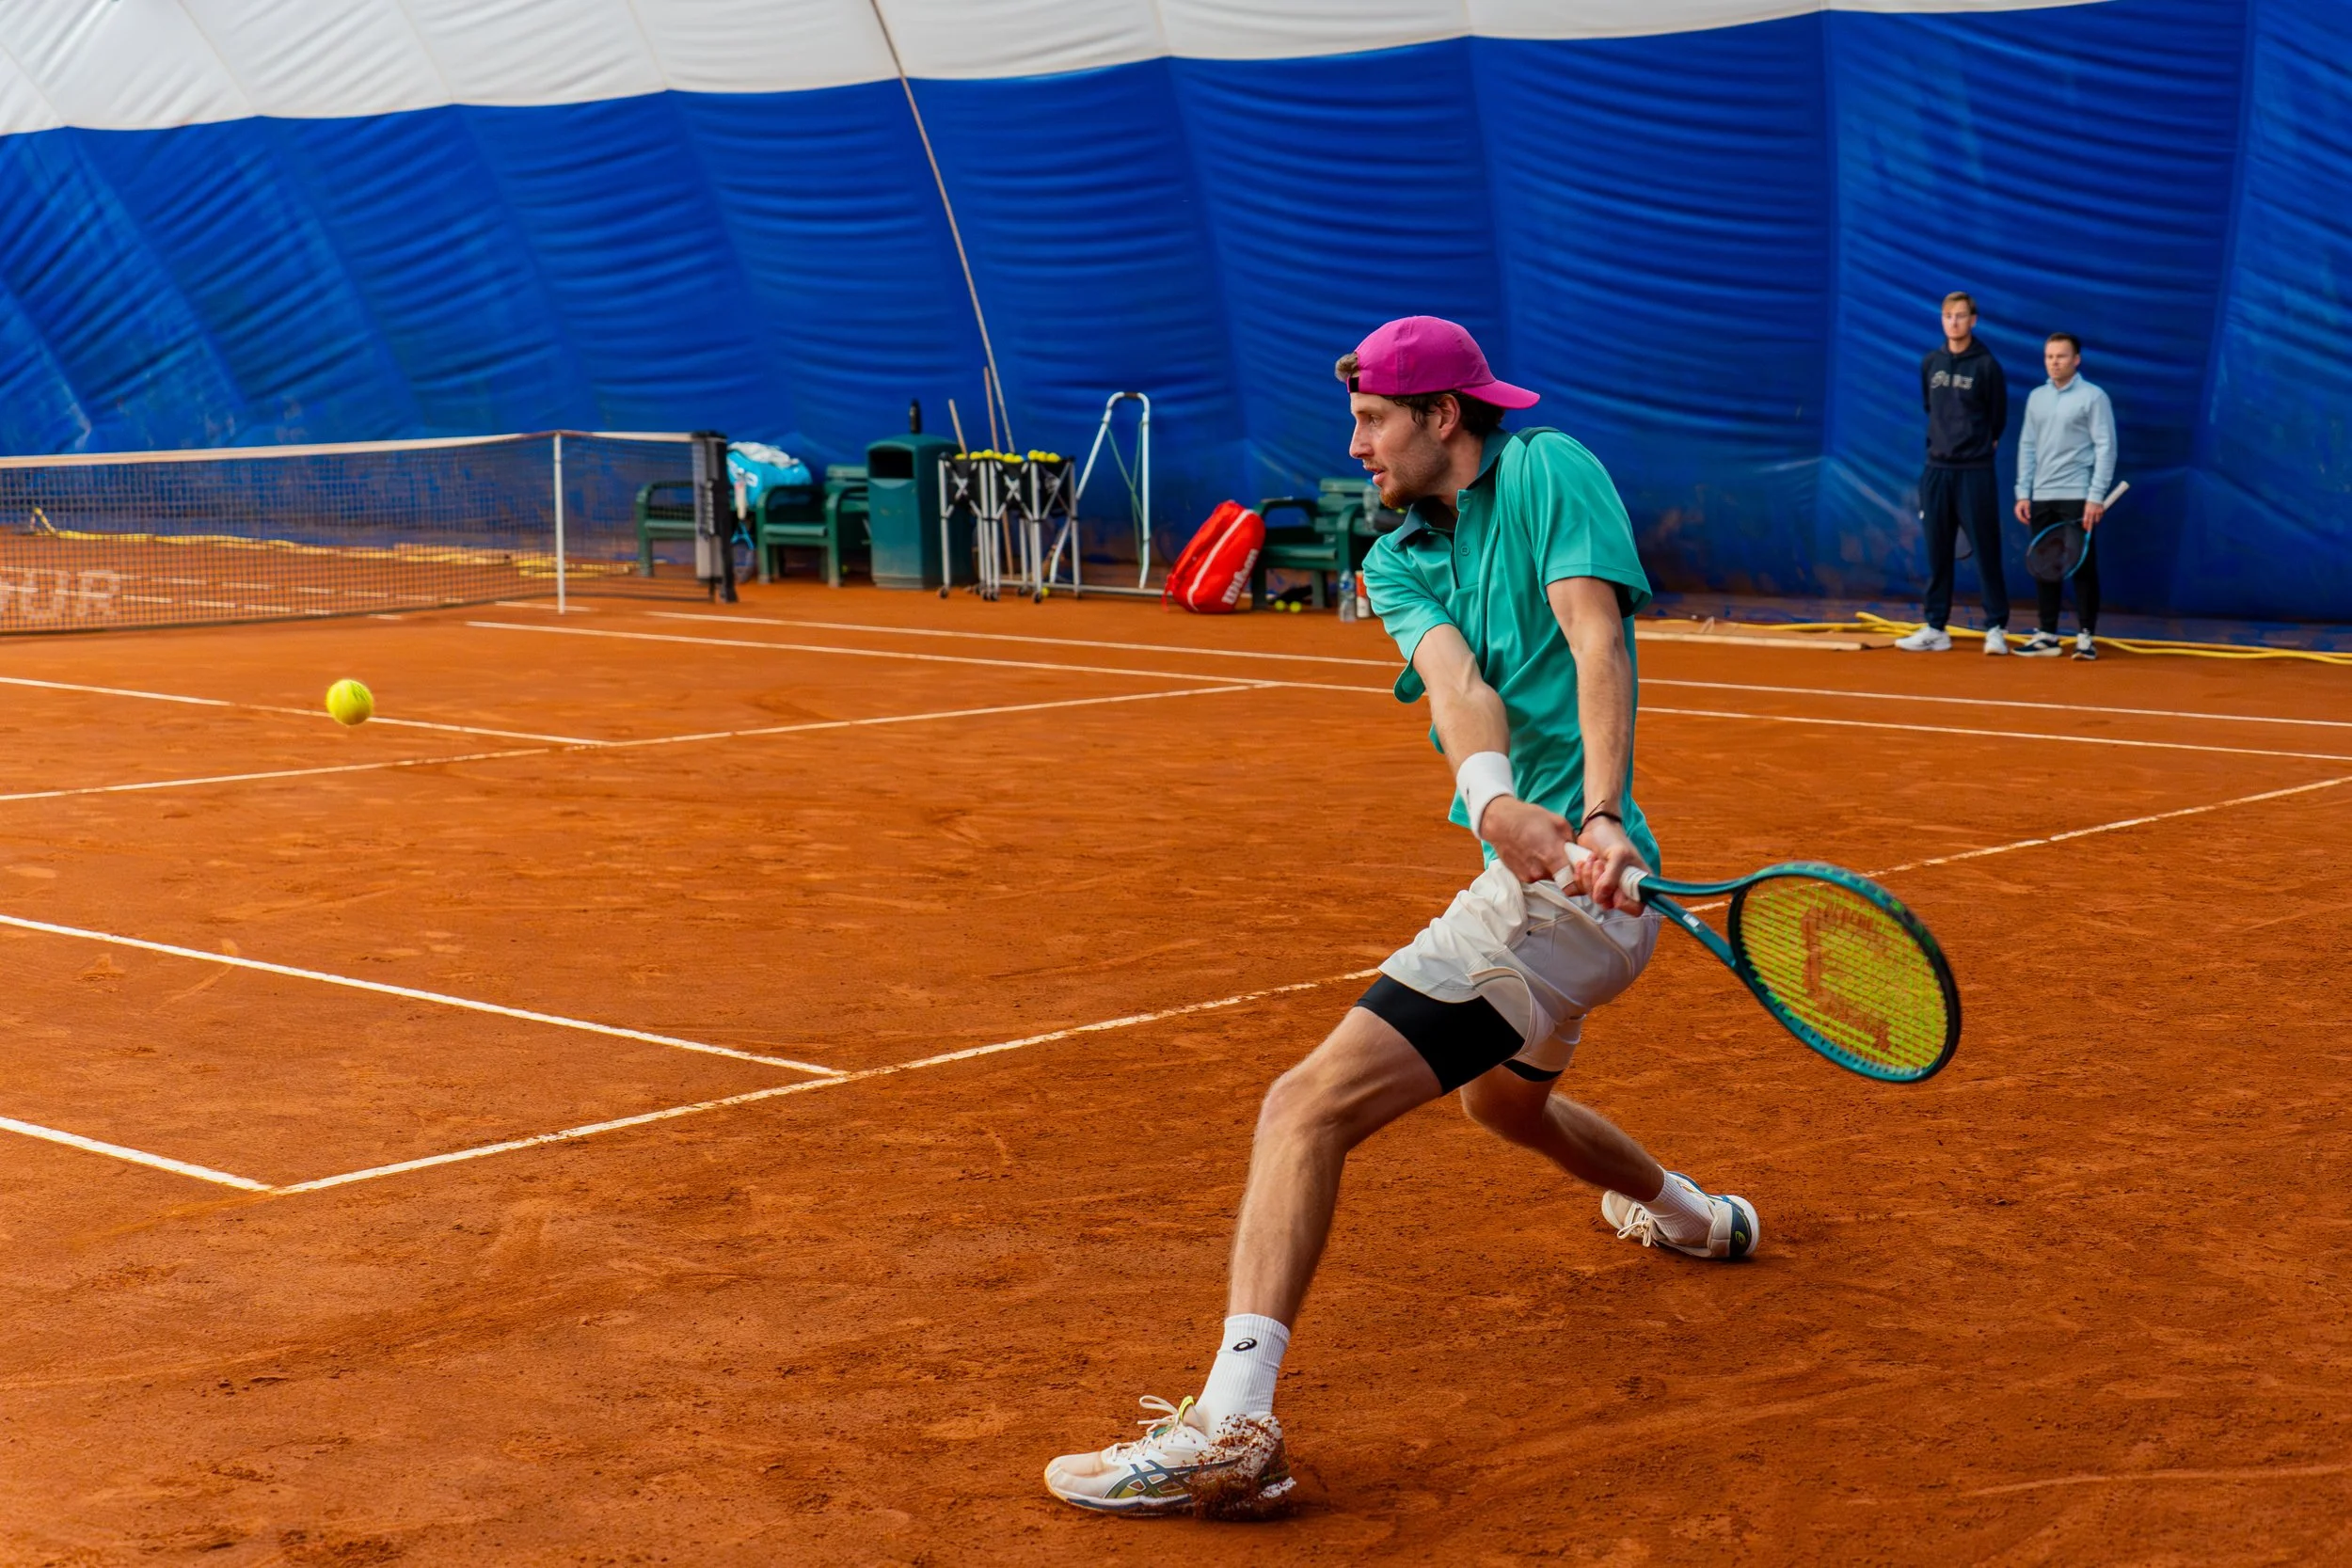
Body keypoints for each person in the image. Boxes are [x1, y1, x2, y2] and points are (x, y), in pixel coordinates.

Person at [1042, 316, 1756, 1519]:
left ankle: (1233, 1424)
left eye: (1375, 420)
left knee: (1303, 1103)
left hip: (1568, 893)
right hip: (1543, 881)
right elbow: (1460, 688)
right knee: (1502, 1102)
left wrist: (1592, 813)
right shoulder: (1396, 556)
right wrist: (1496, 806)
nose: (1359, 445)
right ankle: (1699, 1216)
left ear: (1441, 416)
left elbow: (1595, 638)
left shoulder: (1545, 469)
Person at [1898, 292, 2011, 655]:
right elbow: (1930, 408)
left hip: (1974, 471)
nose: (1954, 322)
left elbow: (1998, 420)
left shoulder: (1987, 366)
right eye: (1948, 316)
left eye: (1961, 316)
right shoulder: (1931, 363)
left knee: (1986, 549)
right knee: (1937, 551)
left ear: (1973, 320)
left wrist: (1979, 447)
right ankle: (1936, 627)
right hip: (1936, 471)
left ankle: (1995, 628)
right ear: (1942, 319)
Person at [2011, 333, 2115, 660]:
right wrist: (2022, 492)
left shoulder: (2094, 397)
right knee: (2045, 565)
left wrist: (2095, 496)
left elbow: (2105, 446)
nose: (2054, 362)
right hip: (2041, 496)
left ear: (2076, 360)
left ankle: (2086, 636)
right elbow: (2027, 446)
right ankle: (2047, 635)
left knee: (2082, 566)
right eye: (2049, 356)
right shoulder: (2036, 398)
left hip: (2077, 496)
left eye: (2061, 356)